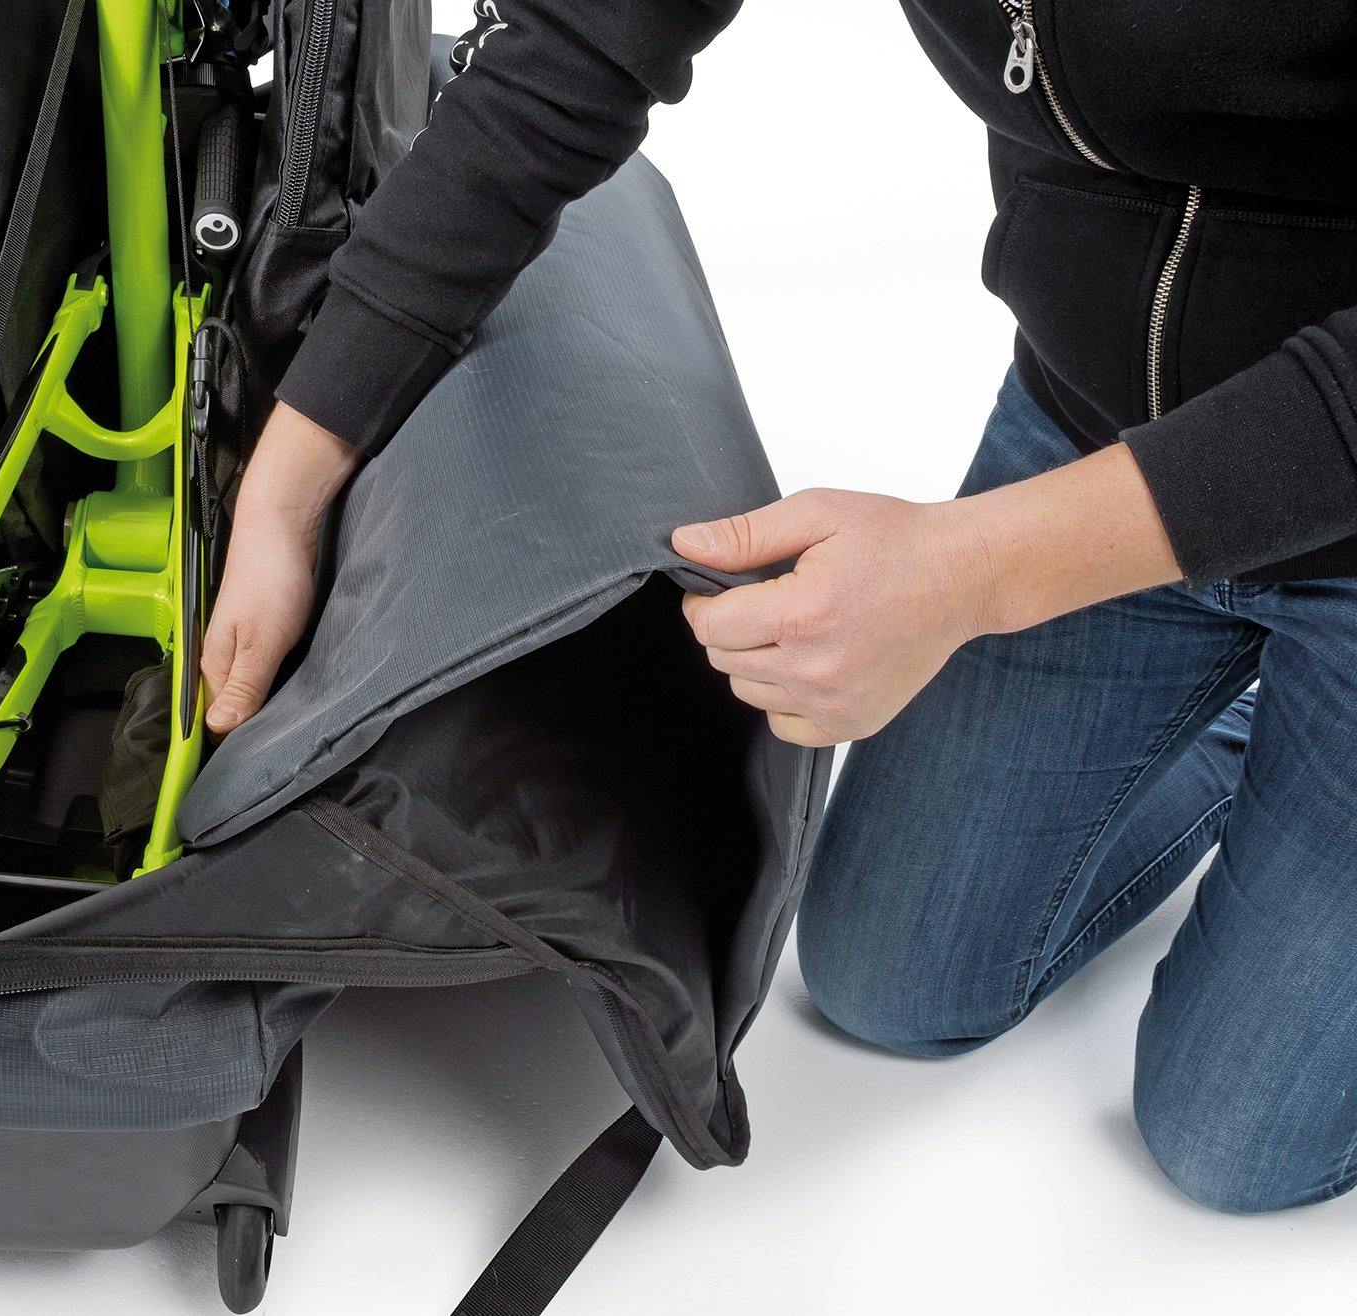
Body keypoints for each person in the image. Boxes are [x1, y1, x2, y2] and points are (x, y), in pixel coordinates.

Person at [199, 1, 1357, 1213]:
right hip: (1095, 430)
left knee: (1226, 1142)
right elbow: (572, 53)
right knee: (884, 980)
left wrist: (967, 573)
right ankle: (1242, 728)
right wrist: (290, 479)